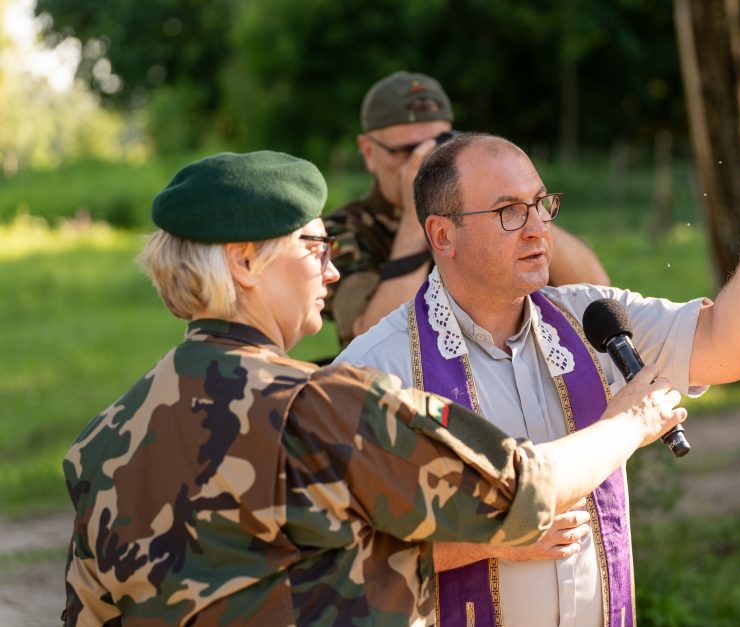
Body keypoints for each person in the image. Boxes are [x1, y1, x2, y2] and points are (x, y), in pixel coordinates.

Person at [61, 150, 688, 626]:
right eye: (313, 246)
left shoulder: (107, 435)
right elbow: (522, 489)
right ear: (245, 262)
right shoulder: (318, 406)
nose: (332, 270)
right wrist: (631, 422)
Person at [335, 133, 740, 627]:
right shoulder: (376, 370)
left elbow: (733, 347)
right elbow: (339, 559)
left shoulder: (594, 319)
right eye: (509, 212)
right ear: (442, 235)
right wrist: (489, 534)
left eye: (541, 204)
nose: (537, 228)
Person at [324, 71, 609, 347]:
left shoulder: (485, 208)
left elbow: (597, 291)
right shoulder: (344, 230)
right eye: (406, 151)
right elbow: (370, 340)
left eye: (439, 145)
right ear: (369, 152)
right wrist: (418, 213)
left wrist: (518, 206)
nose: (426, 160)